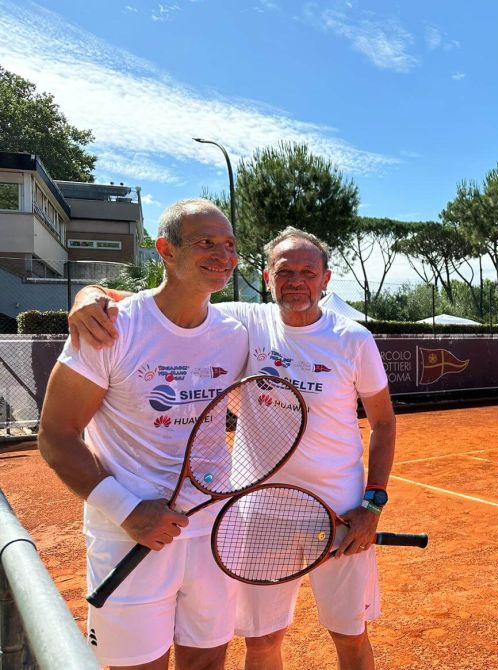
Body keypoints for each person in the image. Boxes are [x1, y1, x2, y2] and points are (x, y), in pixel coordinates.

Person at [68, 227, 396, 670]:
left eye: (308, 272)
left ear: (326, 279)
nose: (296, 281)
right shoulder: (244, 321)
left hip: (340, 513)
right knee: (261, 643)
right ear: (267, 276)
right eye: (285, 271)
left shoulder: (353, 339)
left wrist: (372, 505)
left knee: (350, 638)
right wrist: (90, 295)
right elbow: (164, 302)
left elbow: (383, 422)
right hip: (257, 517)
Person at [39, 198, 249, 669]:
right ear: (166, 250)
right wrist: (128, 511)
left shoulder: (236, 333)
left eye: (230, 245)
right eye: (206, 242)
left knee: (208, 663)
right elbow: (55, 434)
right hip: (127, 534)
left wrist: (91, 290)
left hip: (213, 529)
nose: (223, 255)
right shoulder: (111, 327)